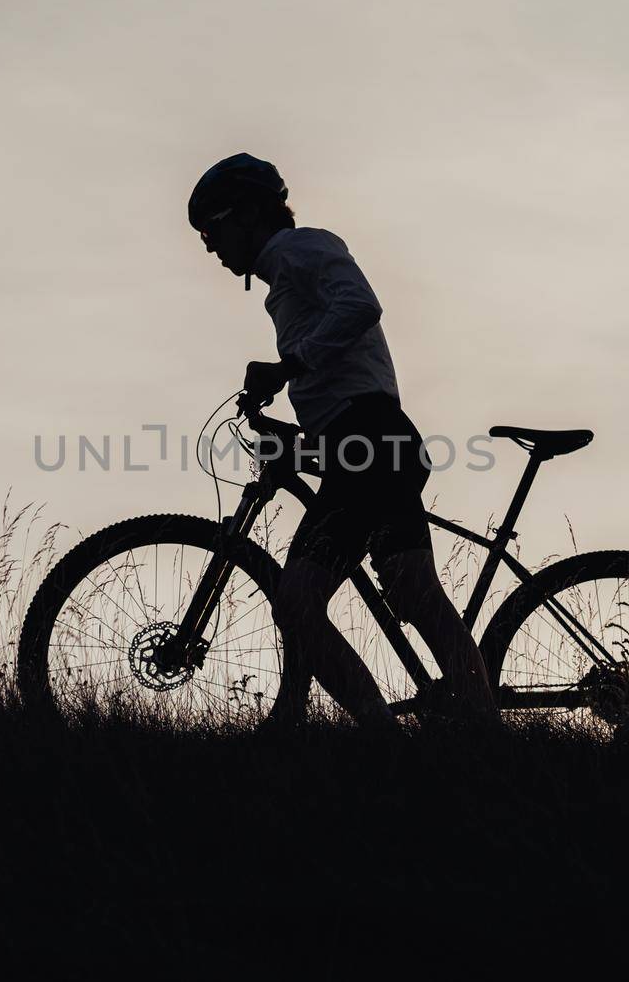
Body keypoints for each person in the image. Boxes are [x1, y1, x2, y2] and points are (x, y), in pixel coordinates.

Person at [188, 152, 497, 729]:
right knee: (410, 591)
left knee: (303, 604)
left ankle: (399, 738)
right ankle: (480, 739)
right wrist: (292, 430)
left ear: (251, 213)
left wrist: (289, 366)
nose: (208, 244)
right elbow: (343, 385)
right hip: (366, 444)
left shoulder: (300, 248)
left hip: (372, 440)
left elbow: (360, 305)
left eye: (213, 226)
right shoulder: (284, 276)